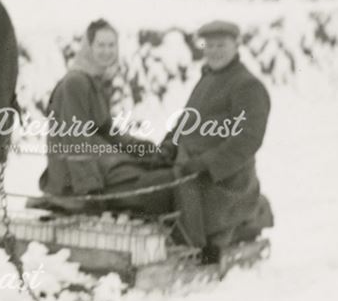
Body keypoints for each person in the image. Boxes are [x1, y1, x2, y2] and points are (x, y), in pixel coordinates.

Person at [160, 20, 274, 261]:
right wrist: (170, 143)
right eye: (209, 45)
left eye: (221, 45)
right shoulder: (208, 78)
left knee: (170, 195)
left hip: (225, 181)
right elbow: (188, 119)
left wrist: (205, 164)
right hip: (191, 167)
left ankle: (198, 248)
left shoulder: (247, 86)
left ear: (236, 45)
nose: (214, 51)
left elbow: (247, 140)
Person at [38, 19, 168, 214]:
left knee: (152, 175)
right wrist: (89, 190)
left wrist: (141, 149)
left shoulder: (95, 80)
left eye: (111, 45)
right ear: (88, 47)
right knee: (150, 185)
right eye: (100, 45)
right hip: (72, 178)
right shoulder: (75, 82)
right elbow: (75, 139)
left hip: (98, 161)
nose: (107, 51)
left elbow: (106, 130)